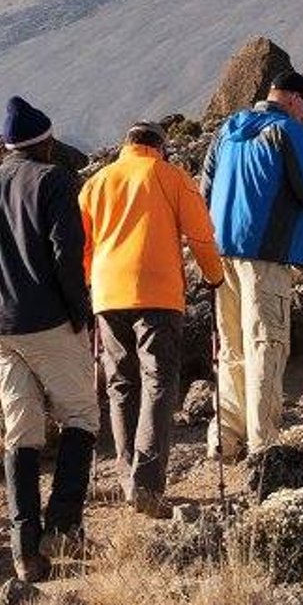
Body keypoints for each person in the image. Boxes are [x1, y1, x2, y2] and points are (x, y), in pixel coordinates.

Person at [0, 96, 97, 581]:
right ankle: (64, 527)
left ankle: (25, 549)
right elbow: (67, 252)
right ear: (45, 143)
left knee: (21, 430)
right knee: (82, 416)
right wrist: (80, 313)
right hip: (48, 322)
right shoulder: (53, 181)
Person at [200, 70, 303, 459]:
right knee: (266, 344)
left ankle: (225, 437)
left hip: (222, 253)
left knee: (232, 345)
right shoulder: (287, 131)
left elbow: (204, 188)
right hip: (266, 256)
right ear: (292, 98)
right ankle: (265, 444)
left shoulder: (227, 129)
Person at [78, 122, 224, 519]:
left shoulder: (97, 182)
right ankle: (146, 483)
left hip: (108, 295)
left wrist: (93, 284)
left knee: (121, 383)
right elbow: (201, 236)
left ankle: (128, 480)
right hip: (157, 293)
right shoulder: (172, 176)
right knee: (159, 380)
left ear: (127, 146)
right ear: (160, 147)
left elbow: (83, 247)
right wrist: (215, 277)